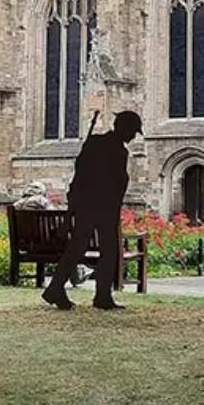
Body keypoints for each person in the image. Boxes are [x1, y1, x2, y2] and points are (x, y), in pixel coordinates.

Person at [42, 111, 141, 311]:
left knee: (77, 248)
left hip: (87, 205)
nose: (134, 137)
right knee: (108, 250)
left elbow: (80, 174)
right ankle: (101, 296)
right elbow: (115, 182)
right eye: (133, 132)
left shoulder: (95, 143)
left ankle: (56, 288)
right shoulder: (117, 151)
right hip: (103, 207)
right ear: (124, 128)